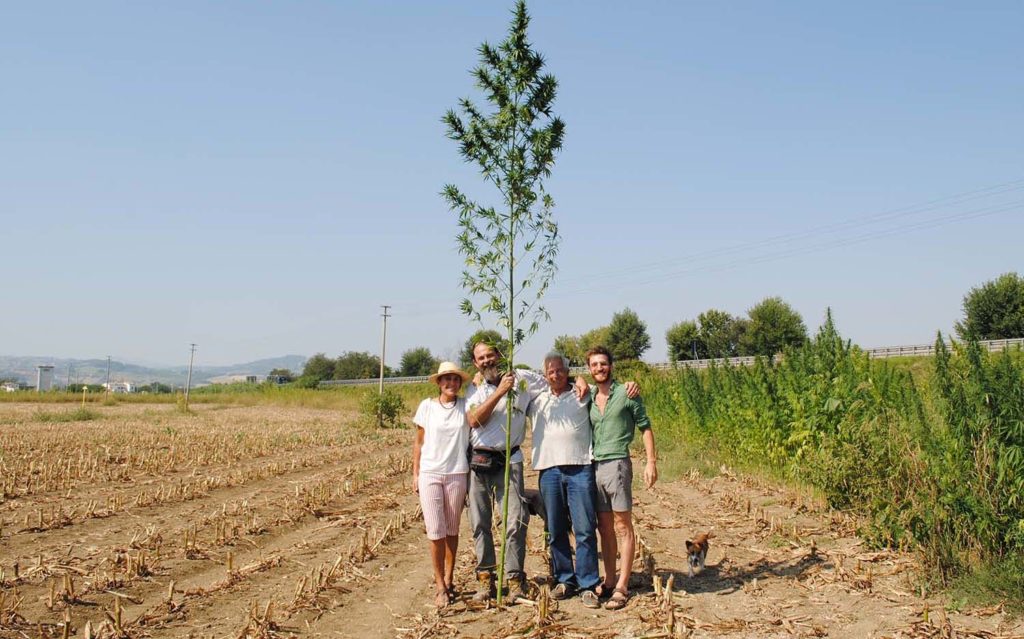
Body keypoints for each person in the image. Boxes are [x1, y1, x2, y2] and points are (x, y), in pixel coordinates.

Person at [465, 342, 548, 603]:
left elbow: (554, 383)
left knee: (515, 522)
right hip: (479, 462)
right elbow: (474, 419)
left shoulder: (522, 379)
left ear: (500, 356)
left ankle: (514, 580)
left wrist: (579, 381)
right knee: (480, 523)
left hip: (510, 460)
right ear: (476, 364)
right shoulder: (473, 389)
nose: (488, 361)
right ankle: (485, 580)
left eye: (491, 355)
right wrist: (500, 392)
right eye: (482, 358)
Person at [527, 352, 601, 609]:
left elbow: (605, 385)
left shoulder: (584, 393)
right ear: (544, 375)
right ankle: (564, 579)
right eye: (550, 371)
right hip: (549, 470)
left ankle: (589, 584)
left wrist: (582, 380)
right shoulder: (537, 399)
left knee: (584, 528)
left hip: (580, 467)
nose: (555, 375)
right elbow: (511, 380)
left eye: (560, 370)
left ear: (567, 371)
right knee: (556, 528)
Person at [587, 345, 658, 611]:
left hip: (618, 464)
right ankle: (609, 579)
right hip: (595, 466)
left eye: (603, 364)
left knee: (622, 525)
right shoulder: (590, 397)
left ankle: (622, 585)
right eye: (594, 365)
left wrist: (651, 462)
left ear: (611, 366)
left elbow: (645, 427)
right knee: (603, 527)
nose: (599, 369)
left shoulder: (627, 394)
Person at [411, 361, 473, 608]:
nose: (451, 383)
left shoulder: (466, 406)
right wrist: (415, 473)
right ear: (439, 382)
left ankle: (449, 578)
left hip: (457, 473)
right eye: (446, 379)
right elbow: (419, 442)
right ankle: (439, 585)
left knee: (452, 530)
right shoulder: (426, 407)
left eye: (455, 379)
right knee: (435, 531)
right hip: (430, 474)